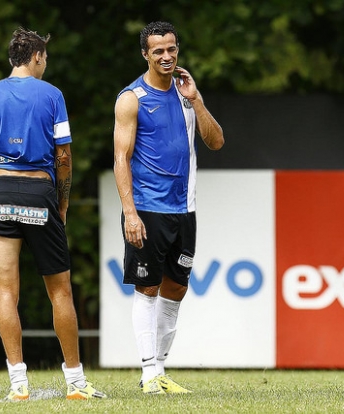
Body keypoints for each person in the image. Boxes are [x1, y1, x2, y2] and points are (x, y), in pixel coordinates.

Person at [0, 27, 106, 401]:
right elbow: (63, 157)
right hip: (40, 194)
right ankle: (76, 382)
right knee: (60, 291)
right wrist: (62, 203)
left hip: (0, 195)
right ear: (37, 57)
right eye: (46, 58)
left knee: (5, 292)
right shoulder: (52, 95)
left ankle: (18, 385)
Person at [113, 21, 224, 395]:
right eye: (158, 50)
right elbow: (121, 158)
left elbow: (216, 142)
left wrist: (197, 100)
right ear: (145, 54)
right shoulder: (131, 98)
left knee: (176, 288)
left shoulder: (185, 93)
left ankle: (159, 369)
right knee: (147, 288)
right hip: (147, 208)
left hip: (185, 208)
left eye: (171, 49)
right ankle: (148, 373)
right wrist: (130, 212)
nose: (166, 56)